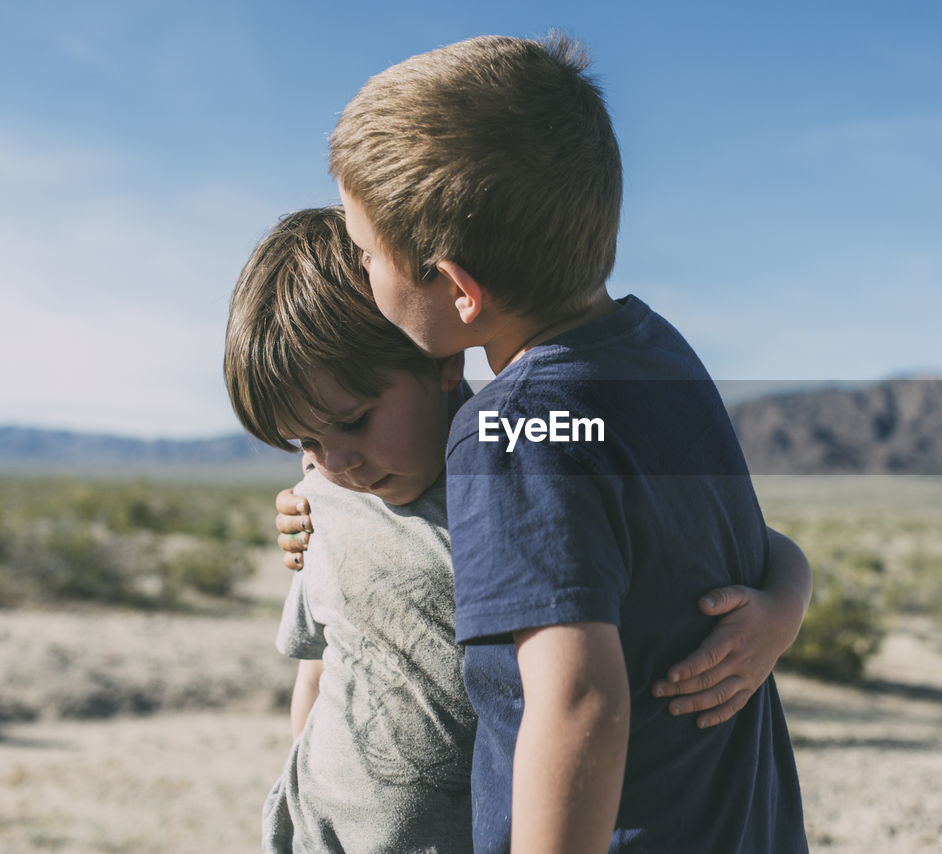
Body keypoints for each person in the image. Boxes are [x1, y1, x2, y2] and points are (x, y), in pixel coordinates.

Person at [320, 33, 809, 853]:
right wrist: (784, 607)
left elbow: (578, 699)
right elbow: (738, 544)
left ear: (459, 291)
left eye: (367, 255)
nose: (360, 272)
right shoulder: (658, 357)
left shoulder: (509, 430)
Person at [231, 208, 811, 852]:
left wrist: (784, 606)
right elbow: (321, 669)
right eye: (305, 441)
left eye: (356, 420)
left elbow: (735, 539)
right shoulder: (322, 500)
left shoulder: (519, 476)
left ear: (438, 361)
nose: (336, 461)